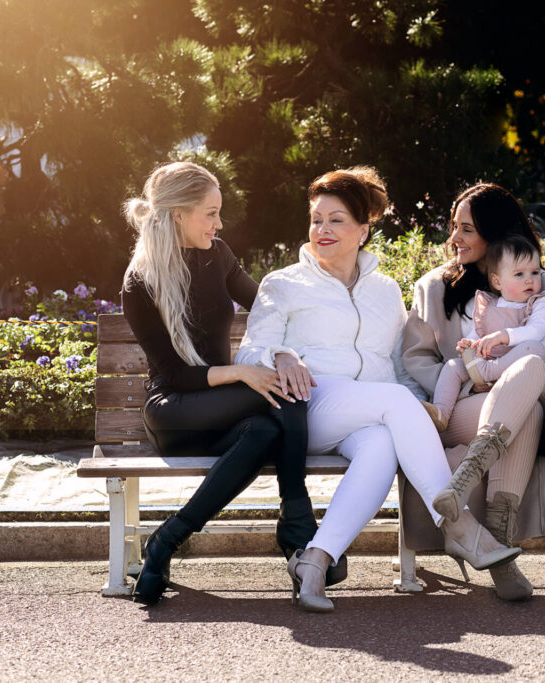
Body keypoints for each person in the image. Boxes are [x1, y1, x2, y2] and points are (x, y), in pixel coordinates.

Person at [235, 167, 519, 613]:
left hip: (367, 411)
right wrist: (281, 355)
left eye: (336, 220)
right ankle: (460, 527)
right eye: (316, 219)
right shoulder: (283, 283)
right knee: (393, 405)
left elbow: (393, 367)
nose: (321, 230)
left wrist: (418, 406)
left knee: (382, 447)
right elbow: (249, 352)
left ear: (363, 231)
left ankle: (314, 563)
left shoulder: (385, 291)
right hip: (308, 403)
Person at [121, 161, 323, 605]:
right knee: (276, 394)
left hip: (227, 410)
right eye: (210, 213)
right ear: (179, 214)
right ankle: (297, 523)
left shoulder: (219, 255)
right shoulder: (140, 281)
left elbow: (268, 308)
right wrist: (240, 373)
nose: (218, 223)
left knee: (274, 413)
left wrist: (283, 351)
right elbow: (173, 375)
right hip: (175, 410)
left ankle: (167, 540)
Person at [403, 183, 545, 601]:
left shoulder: (540, 284)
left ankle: (464, 491)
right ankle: (499, 545)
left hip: (534, 386)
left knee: (527, 368)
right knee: (520, 411)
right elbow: (415, 358)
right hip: (466, 403)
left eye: (466, 229)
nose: (454, 238)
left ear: (495, 233)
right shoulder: (435, 288)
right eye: (454, 227)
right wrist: (470, 374)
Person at [423, 234, 545, 435]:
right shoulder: (489, 306)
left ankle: (486, 374)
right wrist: (469, 345)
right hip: (493, 364)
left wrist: (503, 336)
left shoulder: (540, 303)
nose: (529, 279)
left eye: (535, 272)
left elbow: (535, 331)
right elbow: (478, 333)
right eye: (519, 274)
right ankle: (442, 412)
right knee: (453, 366)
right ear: (497, 282)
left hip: (526, 372)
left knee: (535, 349)